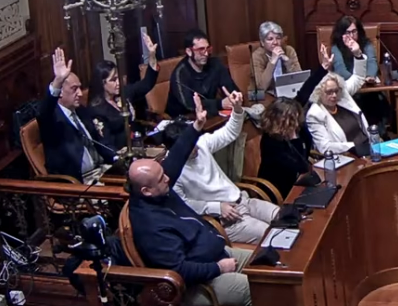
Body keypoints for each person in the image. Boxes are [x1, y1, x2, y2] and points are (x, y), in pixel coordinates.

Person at [129, 97, 252, 306]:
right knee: (258, 289)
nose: (167, 178)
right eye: (161, 178)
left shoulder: (158, 188)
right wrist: (218, 268)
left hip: (217, 253)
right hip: (202, 282)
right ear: (146, 191)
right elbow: (179, 269)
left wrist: (196, 126)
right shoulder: (150, 226)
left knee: (270, 267)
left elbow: (177, 156)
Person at [163, 94, 280, 245]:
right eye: (190, 146)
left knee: (285, 217)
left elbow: (229, 133)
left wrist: (237, 110)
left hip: (243, 200)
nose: (196, 147)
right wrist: (216, 207)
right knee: (274, 236)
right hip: (226, 219)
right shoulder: (170, 173)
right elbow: (185, 204)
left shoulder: (201, 143)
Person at [38, 48, 118, 182]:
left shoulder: (80, 110)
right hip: (79, 182)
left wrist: (117, 157)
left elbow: (99, 141)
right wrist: (58, 81)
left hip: (103, 170)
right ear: (60, 92)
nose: (80, 94)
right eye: (74, 89)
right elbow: (44, 111)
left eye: (80, 88)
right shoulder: (52, 120)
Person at [86, 34, 160, 151]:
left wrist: (152, 55)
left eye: (118, 78)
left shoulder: (123, 93)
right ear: (102, 83)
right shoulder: (97, 110)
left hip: (139, 143)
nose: (118, 83)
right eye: (113, 80)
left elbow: (146, 84)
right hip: (121, 152)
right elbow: (106, 144)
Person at [331, 15, 394, 130]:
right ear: (341, 34)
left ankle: (378, 133)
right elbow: (340, 70)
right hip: (349, 90)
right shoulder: (336, 48)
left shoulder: (366, 44)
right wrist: (358, 81)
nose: (351, 36)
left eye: (354, 31)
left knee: (375, 101)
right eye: (347, 32)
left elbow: (372, 62)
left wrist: (370, 76)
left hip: (368, 88)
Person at [168, 29, 241, 118]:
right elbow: (190, 105)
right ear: (189, 51)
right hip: (184, 119)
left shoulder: (215, 64)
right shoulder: (179, 74)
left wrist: (235, 97)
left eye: (208, 49)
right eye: (201, 50)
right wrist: (220, 104)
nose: (206, 54)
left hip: (210, 115)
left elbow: (231, 88)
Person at [306, 67, 370, 157]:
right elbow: (325, 146)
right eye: (329, 92)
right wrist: (353, 146)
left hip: (368, 145)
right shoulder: (314, 114)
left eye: (336, 91)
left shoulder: (343, 98)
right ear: (318, 92)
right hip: (349, 154)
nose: (334, 95)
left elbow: (358, 78)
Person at [258, 97, 314, 200]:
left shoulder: (297, 129)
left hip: (298, 181)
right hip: (278, 189)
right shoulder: (270, 141)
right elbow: (299, 166)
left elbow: (307, 146)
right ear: (278, 120)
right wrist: (294, 138)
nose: (296, 124)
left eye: (296, 119)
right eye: (291, 121)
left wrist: (295, 135)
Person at [249, 21, 301, 95]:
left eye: (278, 38)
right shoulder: (257, 56)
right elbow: (261, 87)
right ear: (262, 42)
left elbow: (300, 79)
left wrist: (287, 61)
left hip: (288, 91)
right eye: (270, 39)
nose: (275, 42)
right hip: (266, 95)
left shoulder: (289, 51)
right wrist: (272, 62)